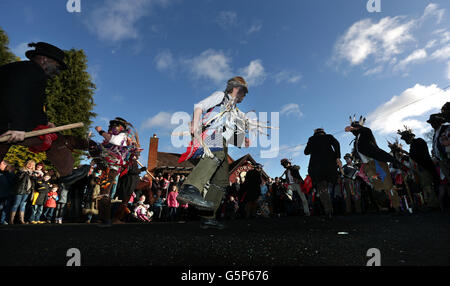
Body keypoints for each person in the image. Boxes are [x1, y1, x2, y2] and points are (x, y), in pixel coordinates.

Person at [0, 42, 91, 186]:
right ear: (44, 59)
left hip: (6, 123)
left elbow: (31, 107)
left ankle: (68, 174)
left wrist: (45, 122)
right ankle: (68, 174)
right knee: (54, 139)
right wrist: (17, 125)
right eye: (57, 66)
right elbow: (14, 93)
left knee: (49, 134)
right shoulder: (31, 70)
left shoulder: (28, 72)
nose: (58, 71)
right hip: (7, 123)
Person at [177, 76, 251, 229]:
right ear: (236, 89)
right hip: (211, 132)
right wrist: (195, 125)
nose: (244, 96)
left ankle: (207, 216)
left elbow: (228, 133)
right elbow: (199, 106)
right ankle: (190, 188)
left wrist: (241, 141)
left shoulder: (233, 110)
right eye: (244, 93)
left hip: (221, 139)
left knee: (222, 180)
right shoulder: (220, 96)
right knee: (216, 155)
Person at [345, 116, 400, 213]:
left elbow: (366, 129)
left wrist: (354, 128)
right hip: (368, 166)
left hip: (377, 162)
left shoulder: (366, 133)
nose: (353, 131)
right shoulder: (356, 141)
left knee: (387, 184)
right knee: (376, 184)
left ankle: (396, 207)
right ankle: (384, 207)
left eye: (355, 128)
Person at [92, 117, 140, 226]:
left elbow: (114, 140)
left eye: (113, 126)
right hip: (106, 167)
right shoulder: (112, 139)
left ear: (120, 127)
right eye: (110, 127)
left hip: (112, 168)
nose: (110, 128)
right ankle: (102, 218)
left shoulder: (123, 136)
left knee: (104, 192)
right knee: (102, 192)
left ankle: (106, 219)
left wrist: (100, 131)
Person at [398, 126, 440, 210]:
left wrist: (406, 155)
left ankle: (433, 204)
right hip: (421, 167)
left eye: (406, 138)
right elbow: (413, 157)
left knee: (427, 185)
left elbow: (417, 156)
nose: (405, 141)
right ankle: (430, 203)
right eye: (404, 139)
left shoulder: (418, 141)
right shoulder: (414, 144)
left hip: (425, 166)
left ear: (411, 137)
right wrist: (404, 156)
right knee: (425, 186)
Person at [304, 128, 341, 218]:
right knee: (331, 186)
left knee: (322, 189)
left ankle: (328, 211)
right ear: (323, 132)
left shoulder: (311, 139)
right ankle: (333, 207)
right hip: (330, 167)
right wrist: (337, 157)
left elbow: (306, 152)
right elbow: (337, 144)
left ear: (315, 133)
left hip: (317, 169)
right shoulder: (329, 136)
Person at [9, 160, 36, 224]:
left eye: (32, 165)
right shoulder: (21, 170)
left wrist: (34, 177)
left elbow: (34, 183)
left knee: (23, 205)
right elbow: (18, 179)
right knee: (16, 204)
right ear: (26, 164)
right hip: (20, 190)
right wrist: (25, 173)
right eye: (29, 164)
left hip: (27, 191)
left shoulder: (33, 172)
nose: (31, 166)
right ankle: (11, 220)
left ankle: (21, 220)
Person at [0, 160, 15, 225]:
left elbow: (13, 183)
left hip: (7, 193)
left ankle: (2, 220)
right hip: (2, 192)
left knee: (5, 207)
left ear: (5, 165)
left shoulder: (10, 173)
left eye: (1, 164)